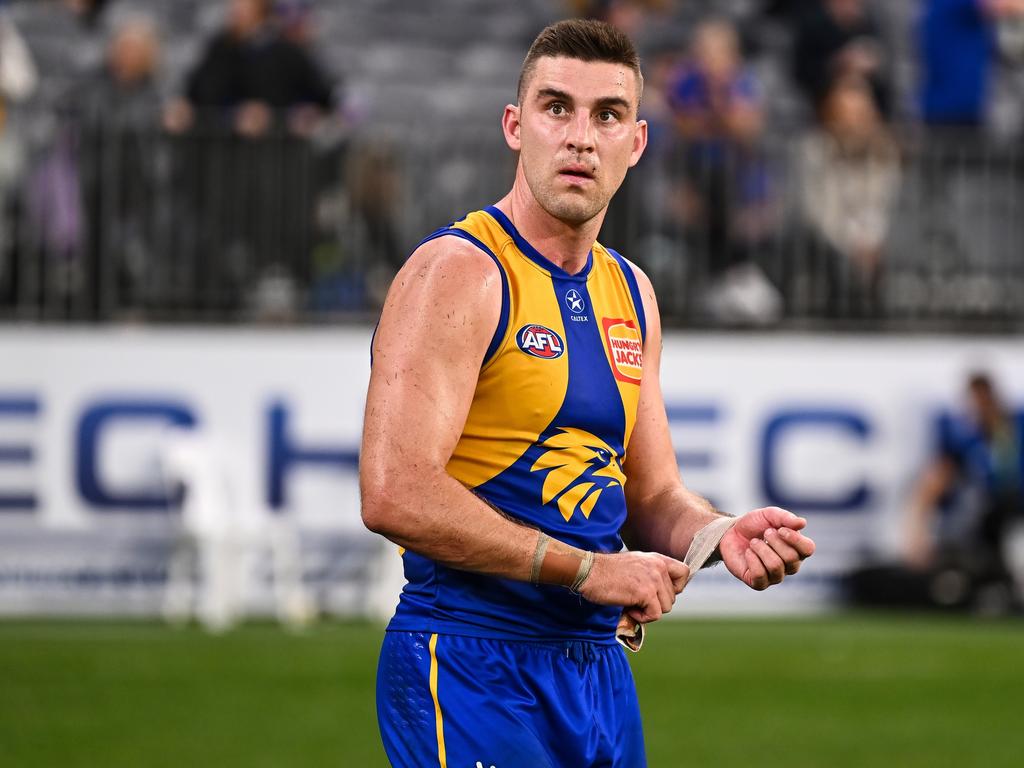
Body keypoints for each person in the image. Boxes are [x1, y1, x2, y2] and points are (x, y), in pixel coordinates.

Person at [360, 19, 815, 768]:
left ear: (635, 143)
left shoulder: (631, 290)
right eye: (555, 107)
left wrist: (717, 534)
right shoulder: (458, 272)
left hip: (597, 669)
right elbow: (393, 491)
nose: (580, 137)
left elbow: (654, 493)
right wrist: (590, 570)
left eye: (606, 115)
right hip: (471, 663)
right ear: (515, 126)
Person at [905, 373, 1024, 586]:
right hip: (986, 515)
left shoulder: (1016, 426)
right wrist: (917, 529)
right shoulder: (965, 437)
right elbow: (937, 476)